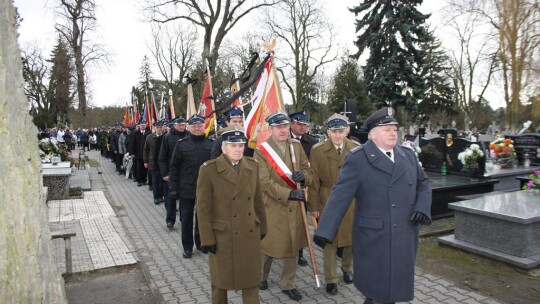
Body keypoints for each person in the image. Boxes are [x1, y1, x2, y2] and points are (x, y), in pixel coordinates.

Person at [313, 107, 432, 304]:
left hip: (404, 233)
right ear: (373, 134)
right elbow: (340, 194)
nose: (393, 132)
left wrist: (421, 207)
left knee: (392, 288)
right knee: (378, 288)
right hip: (376, 235)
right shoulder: (358, 158)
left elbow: (424, 184)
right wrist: (325, 229)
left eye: (394, 128)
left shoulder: (407, 155)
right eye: (387, 129)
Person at [196, 126, 267, 304]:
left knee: (251, 282)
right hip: (222, 237)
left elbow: (258, 200)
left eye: (241, 145)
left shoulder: (252, 166)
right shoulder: (208, 170)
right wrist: (206, 238)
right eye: (232, 145)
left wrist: (263, 226)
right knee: (220, 283)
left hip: (248, 233)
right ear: (223, 147)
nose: (238, 149)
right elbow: (203, 209)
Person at [253, 110, 312, 302]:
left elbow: (307, 168)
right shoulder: (261, 151)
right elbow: (263, 182)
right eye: (278, 127)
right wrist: (288, 193)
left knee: (292, 245)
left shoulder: (296, 146)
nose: (282, 130)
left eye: (285, 126)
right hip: (272, 205)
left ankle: (288, 284)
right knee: (267, 245)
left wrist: (304, 176)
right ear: (270, 129)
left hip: (295, 207)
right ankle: (261, 277)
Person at [308, 113, 358, 296]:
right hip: (327, 199)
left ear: (347, 130)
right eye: (334, 131)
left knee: (350, 238)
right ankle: (331, 279)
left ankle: (346, 268)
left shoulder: (356, 148)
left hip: (351, 201)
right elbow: (314, 181)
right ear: (328, 132)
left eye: (341, 131)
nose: (337, 135)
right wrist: (313, 207)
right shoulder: (317, 150)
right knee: (329, 240)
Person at [168, 115, 213, 259]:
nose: (197, 129)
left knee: (203, 218)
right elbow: (174, 168)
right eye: (194, 126)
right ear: (189, 128)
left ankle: (201, 243)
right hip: (186, 188)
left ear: (204, 126)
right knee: (186, 219)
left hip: (205, 189)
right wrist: (173, 188)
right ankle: (187, 247)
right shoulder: (182, 145)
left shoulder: (211, 144)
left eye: (200, 126)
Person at [289, 110, 319, 266]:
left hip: (305, 186)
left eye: (305, 125)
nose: (303, 128)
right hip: (286, 187)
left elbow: (314, 166)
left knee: (301, 222)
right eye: (299, 124)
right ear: (291, 124)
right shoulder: (283, 139)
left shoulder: (312, 142)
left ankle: (299, 253)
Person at [158, 116, 189, 229]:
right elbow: (162, 157)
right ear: (174, 125)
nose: (181, 127)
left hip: (185, 173)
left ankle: (183, 219)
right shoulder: (167, 137)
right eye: (179, 125)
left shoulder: (188, 136)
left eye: (183, 125)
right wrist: (164, 174)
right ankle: (170, 220)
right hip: (171, 174)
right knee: (171, 198)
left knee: (184, 199)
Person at [144, 120, 167, 204]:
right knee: (155, 180)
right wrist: (145, 161)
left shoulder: (166, 136)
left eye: (161, 127)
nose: (159, 129)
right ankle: (156, 196)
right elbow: (146, 150)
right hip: (153, 162)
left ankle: (161, 195)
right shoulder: (149, 137)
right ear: (154, 128)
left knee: (162, 181)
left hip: (163, 163)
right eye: (158, 127)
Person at [129, 121, 151, 186]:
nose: (143, 126)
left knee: (145, 168)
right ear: (139, 126)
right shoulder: (135, 133)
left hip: (146, 153)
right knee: (139, 167)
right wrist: (132, 153)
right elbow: (132, 144)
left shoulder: (148, 133)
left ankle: (144, 180)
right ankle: (139, 180)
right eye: (142, 125)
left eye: (144, 125)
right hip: (138, 153)